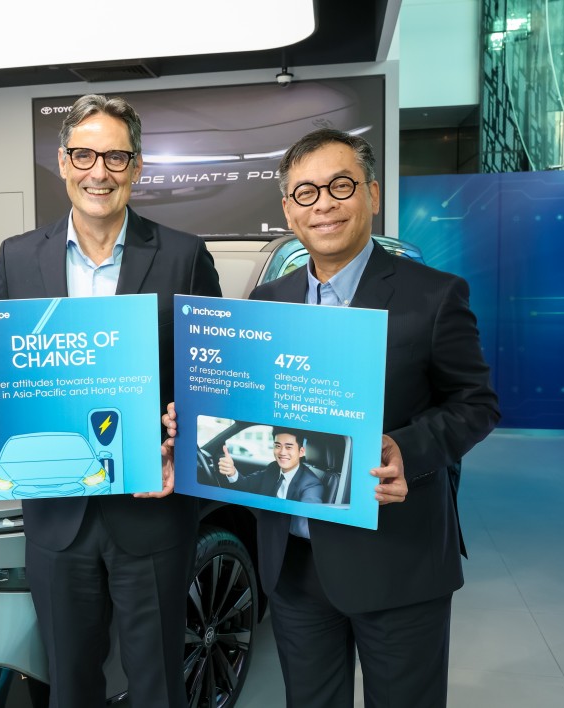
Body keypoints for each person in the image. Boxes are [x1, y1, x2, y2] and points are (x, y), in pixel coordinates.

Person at [164, 128, 500, 707]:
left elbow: (476, 403)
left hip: (398, 560)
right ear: (289, 213)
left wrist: (407, 449)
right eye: (305, 193)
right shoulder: (266, 305)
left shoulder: (435, 296)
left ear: (371, 194)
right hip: (293, 565)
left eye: (340, 186)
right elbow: (243, 414)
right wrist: (193, 423)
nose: (323, 203)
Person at [0, 94, 221, 708]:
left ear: (137, 167)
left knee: (158, 684)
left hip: (152, 508)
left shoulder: (183, 255)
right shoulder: (18, 257)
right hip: (55, 519)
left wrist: (185, 435)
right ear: (63, 163)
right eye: (84, 155)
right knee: (69, 681)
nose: (100, 171)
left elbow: (212, 379)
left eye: (116, 156)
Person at [217, 428, 324, 503]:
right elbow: (246, 485)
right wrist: (232, 472)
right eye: (277, 446)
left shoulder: (311, 484)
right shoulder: (273, 468)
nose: (282, 452)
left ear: (301, 452)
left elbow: (305, 522)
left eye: (288, 447)